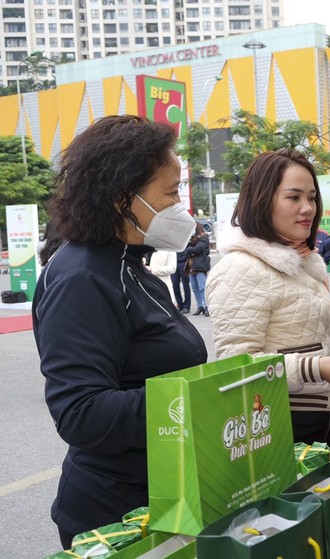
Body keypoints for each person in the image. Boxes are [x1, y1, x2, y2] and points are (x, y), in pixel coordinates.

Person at [32, 115, 207, 548]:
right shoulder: (82, 277)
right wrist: (195, 402)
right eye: (170, 193)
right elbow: (81, 411)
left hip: (160, 494)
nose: (179, 206)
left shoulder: (130, 265)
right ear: (121, 198)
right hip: (115, 517)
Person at [206, 149, 330, 447]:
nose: (307, 208)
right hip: (278, 426)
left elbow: (307, 329)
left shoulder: (302, 260)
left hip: (323, 419)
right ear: (261, 200)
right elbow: (236, 366)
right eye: (293, 197)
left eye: (312, 197)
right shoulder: (241, 269)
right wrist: (315, 368)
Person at [184, 223, 211, 316]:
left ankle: (206, 306)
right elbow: (188, 249)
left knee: (202, 287)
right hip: (191, 267)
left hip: (200, 266)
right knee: (195, 288)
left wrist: (190, 250)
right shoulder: (192, 240)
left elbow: (197, 249)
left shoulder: (204, 238)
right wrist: (191, 249)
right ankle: (200, 306)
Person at [171, 248, 191, 313]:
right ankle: (180, 305)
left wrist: (185, 257)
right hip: (173, 264)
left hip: (183, 263)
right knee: (174, 285)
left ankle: (186, 306)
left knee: (185, 285)